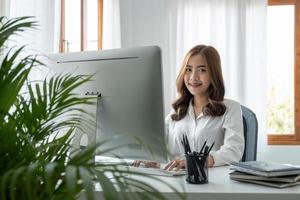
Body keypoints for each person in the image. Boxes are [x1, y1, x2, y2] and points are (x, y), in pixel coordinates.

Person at [133, 44, 244, 170]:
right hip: (176, 182)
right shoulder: (177, 112)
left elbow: (234, 151)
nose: (193, 77)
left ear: (213, 74)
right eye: (189, 69)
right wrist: (151, 158)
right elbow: (158, 148)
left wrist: (198, 161)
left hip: (212, 183)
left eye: (202, 70)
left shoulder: (231, 108)